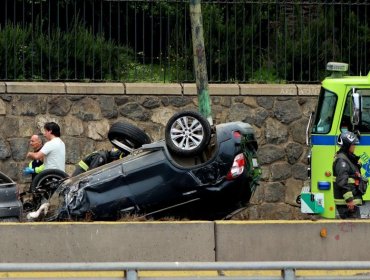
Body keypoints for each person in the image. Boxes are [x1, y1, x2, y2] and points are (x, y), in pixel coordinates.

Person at [333, 131, 367, 219]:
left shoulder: (348, 158)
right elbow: (342, 182)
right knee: (353, 232)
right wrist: (349, 200)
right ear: (347, 146)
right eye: (353, 145)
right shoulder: (342, 161)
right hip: (347, 206)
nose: (354, 147)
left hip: (351, 204)